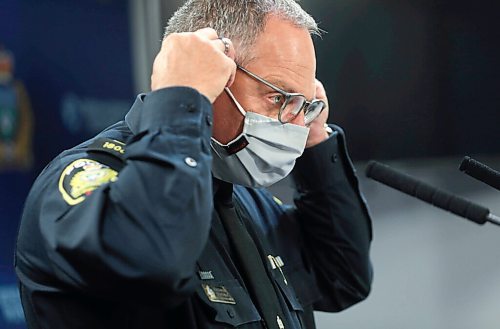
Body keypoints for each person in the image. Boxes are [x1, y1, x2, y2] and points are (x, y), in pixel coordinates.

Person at [15, 1, 373, 328]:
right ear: (214, 73)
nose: (293, 124)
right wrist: (183, 98)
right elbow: (154, 259)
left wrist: (315, 138)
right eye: (278, 97)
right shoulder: (83, 179)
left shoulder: (242, 199)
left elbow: (342, 277)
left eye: (301, 103)